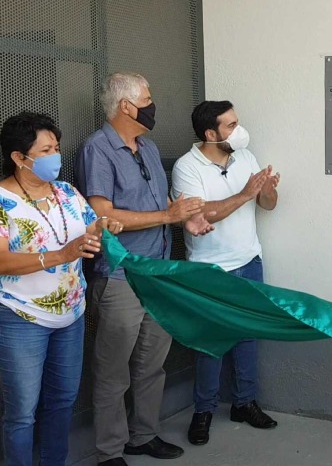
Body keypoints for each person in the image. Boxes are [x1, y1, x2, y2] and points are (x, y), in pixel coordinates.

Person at [75, 72, 214, 466]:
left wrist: (187, 221)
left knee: (152, 364)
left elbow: (165, 203)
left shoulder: (148, 148)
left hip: (159, 273)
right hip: (120, 275)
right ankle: (109, 452)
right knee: (113, 371)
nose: (153, 106)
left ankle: (143, 436)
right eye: (148, 99)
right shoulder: (97, 149)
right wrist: (166, 215)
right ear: (126, 106)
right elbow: (101, 213)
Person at [0, 112, 121, 466]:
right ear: (19, 158)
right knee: (22, 411)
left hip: (71, 313)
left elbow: (89, 229)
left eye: (57, 147)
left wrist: (103, 225)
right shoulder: (2, 201)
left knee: (63, 400)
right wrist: (60, 255)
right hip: (21, 317)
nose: (56, 156)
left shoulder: (66, 192)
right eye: (46, 149)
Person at [171, 100, 280, 446]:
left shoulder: (245, 157)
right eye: (230, 125)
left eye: (237, 122)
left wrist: (266, 189)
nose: (238, 130)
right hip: (210, 269)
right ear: (210, 133)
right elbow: (201, 214)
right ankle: (203, 410)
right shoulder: (186, 167)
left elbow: (268, 205)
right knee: (211, 341)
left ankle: (245, 402)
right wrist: (245, 192)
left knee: (248, 335)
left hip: (250, 260)